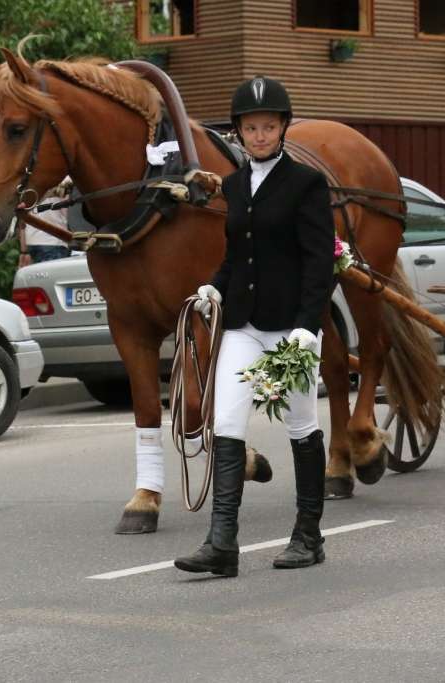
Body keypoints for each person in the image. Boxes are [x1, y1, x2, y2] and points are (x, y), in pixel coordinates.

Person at [174, 76, 334, 578]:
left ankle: (308, 535)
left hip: (292, 328)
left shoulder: (307, 184)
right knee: (227, 422)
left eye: (268, 127)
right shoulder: (236, 184)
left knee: (299, 423)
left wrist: (308, 325)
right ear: (239, 132)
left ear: (282, 127)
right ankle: (222, 543)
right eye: (251, 128)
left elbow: (319, 264)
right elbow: (236, 255)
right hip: (243, 324)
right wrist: (215, 288)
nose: (259, 135)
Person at [18, 182, 71, 267]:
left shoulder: (29, 186)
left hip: (32, 242)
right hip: (53, 242)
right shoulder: (63, 182)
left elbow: (22, 222)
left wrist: (23, 251)